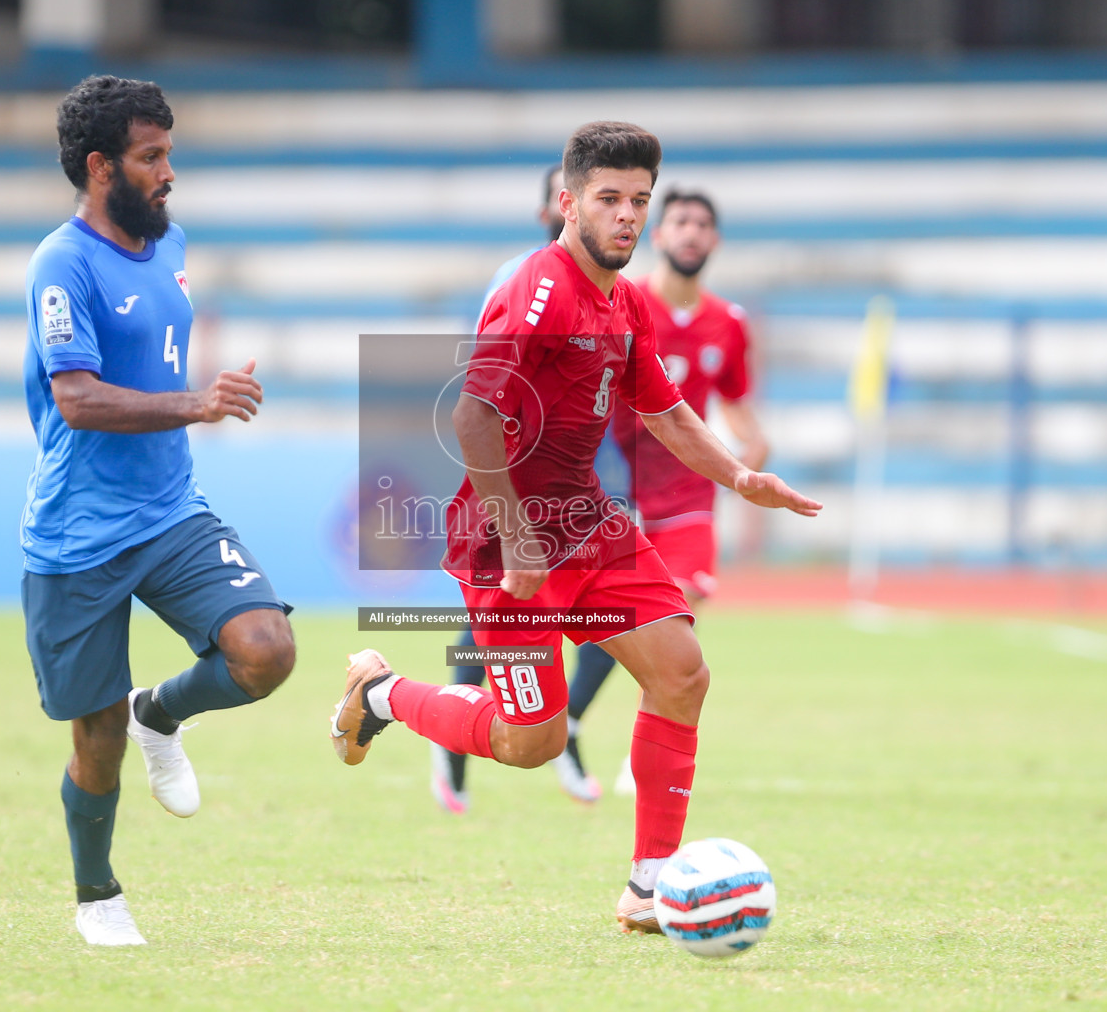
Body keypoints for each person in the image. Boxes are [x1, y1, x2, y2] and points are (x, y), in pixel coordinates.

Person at [330, 121, 819, 933]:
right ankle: (380, 693)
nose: (628, 216)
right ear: (568, 202)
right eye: (610, 199)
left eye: (639, 201)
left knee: (682, 672)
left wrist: (738, 475)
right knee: (532, 744)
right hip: (503, 542)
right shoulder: (541, 288)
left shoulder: (626, 301)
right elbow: (475, 414)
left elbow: (663, 409)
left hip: (586, 522)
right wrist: (518, 533)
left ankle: (649, 885)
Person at [21, 75, 295, 947]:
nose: (169, 171)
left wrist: (200, 404)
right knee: (92, 741)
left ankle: (163, 711)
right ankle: (98, 895)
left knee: (266, 651)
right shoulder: (59, 263)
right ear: (102, 167)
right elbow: (78, 400)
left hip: (171, 511)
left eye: (169, 152)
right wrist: (198, 404)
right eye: (152, 157)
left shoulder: (169, 240)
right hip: (78, 536)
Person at [567, 186, 772, 797]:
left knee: (675, 622)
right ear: (659, 234)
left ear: (715, 240)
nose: (690, 232)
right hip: (613, 495)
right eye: (680, 220)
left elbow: (738, 410)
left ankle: (643, 752)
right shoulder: (624, 303)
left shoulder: (728, 324)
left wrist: (752, 460)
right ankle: (567, 725)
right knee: (603, 624)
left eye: (702, 224)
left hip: (687, 500)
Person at [430, 162, 570, 815]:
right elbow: (483, 392)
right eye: (559, 197)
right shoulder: (521, 278)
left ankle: (562, 729)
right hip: (515, 477)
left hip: (573, 479)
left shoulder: (608, 287)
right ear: (553, 207)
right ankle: (451, 743)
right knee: (494, 616)